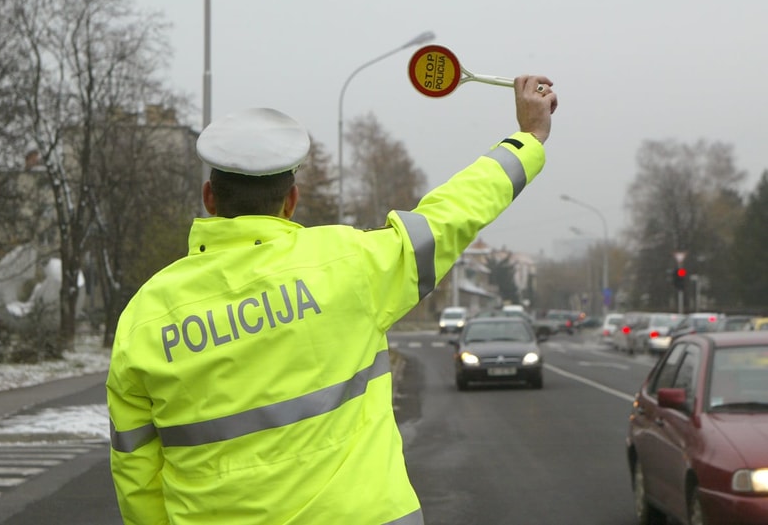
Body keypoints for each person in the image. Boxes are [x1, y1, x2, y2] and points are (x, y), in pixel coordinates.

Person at [106, 74, 557, 525]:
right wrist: (529, 137)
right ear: (291, 200)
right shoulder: (350, 265)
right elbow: (454, 212)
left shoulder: (145, 316)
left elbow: (136, 474)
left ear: (210, 197)